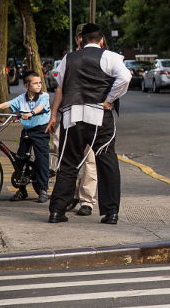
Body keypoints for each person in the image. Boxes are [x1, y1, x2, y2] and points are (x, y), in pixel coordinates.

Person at [46, 23, 131, 224]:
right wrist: (109, 99)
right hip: (99, 115)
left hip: (72, 115)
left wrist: (54, 113)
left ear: (82, 39)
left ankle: (57, 211)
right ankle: (110, 213)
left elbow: (60, 85)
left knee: (67, 164)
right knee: (106, 162)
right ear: (101, 40)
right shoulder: (110, 56)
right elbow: (125, 78)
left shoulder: (68, 58)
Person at [51, 23, 99, 217]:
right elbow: (60, 89)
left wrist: (109, 102)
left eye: (83, 36)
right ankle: (68, 196)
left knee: (89, 159)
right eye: (79, 36)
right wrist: (54, 114)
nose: (80, 39)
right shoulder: (69, 59)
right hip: (69, 115)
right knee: (64, 157)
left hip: (91, 115)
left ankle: (86, 200)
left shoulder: (100, 57)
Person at [0, 71, 51, 203]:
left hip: (40, 131)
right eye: (35, 83)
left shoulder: (44, 96)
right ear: (26, 85)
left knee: (41, 159)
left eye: (40, 83)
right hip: (27, 130)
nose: (39, 85)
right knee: (20, 159)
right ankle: (22, 190)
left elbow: (40, 108)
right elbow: (8, 104)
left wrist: (31, 113)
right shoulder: (21, 98)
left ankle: (43, 189)